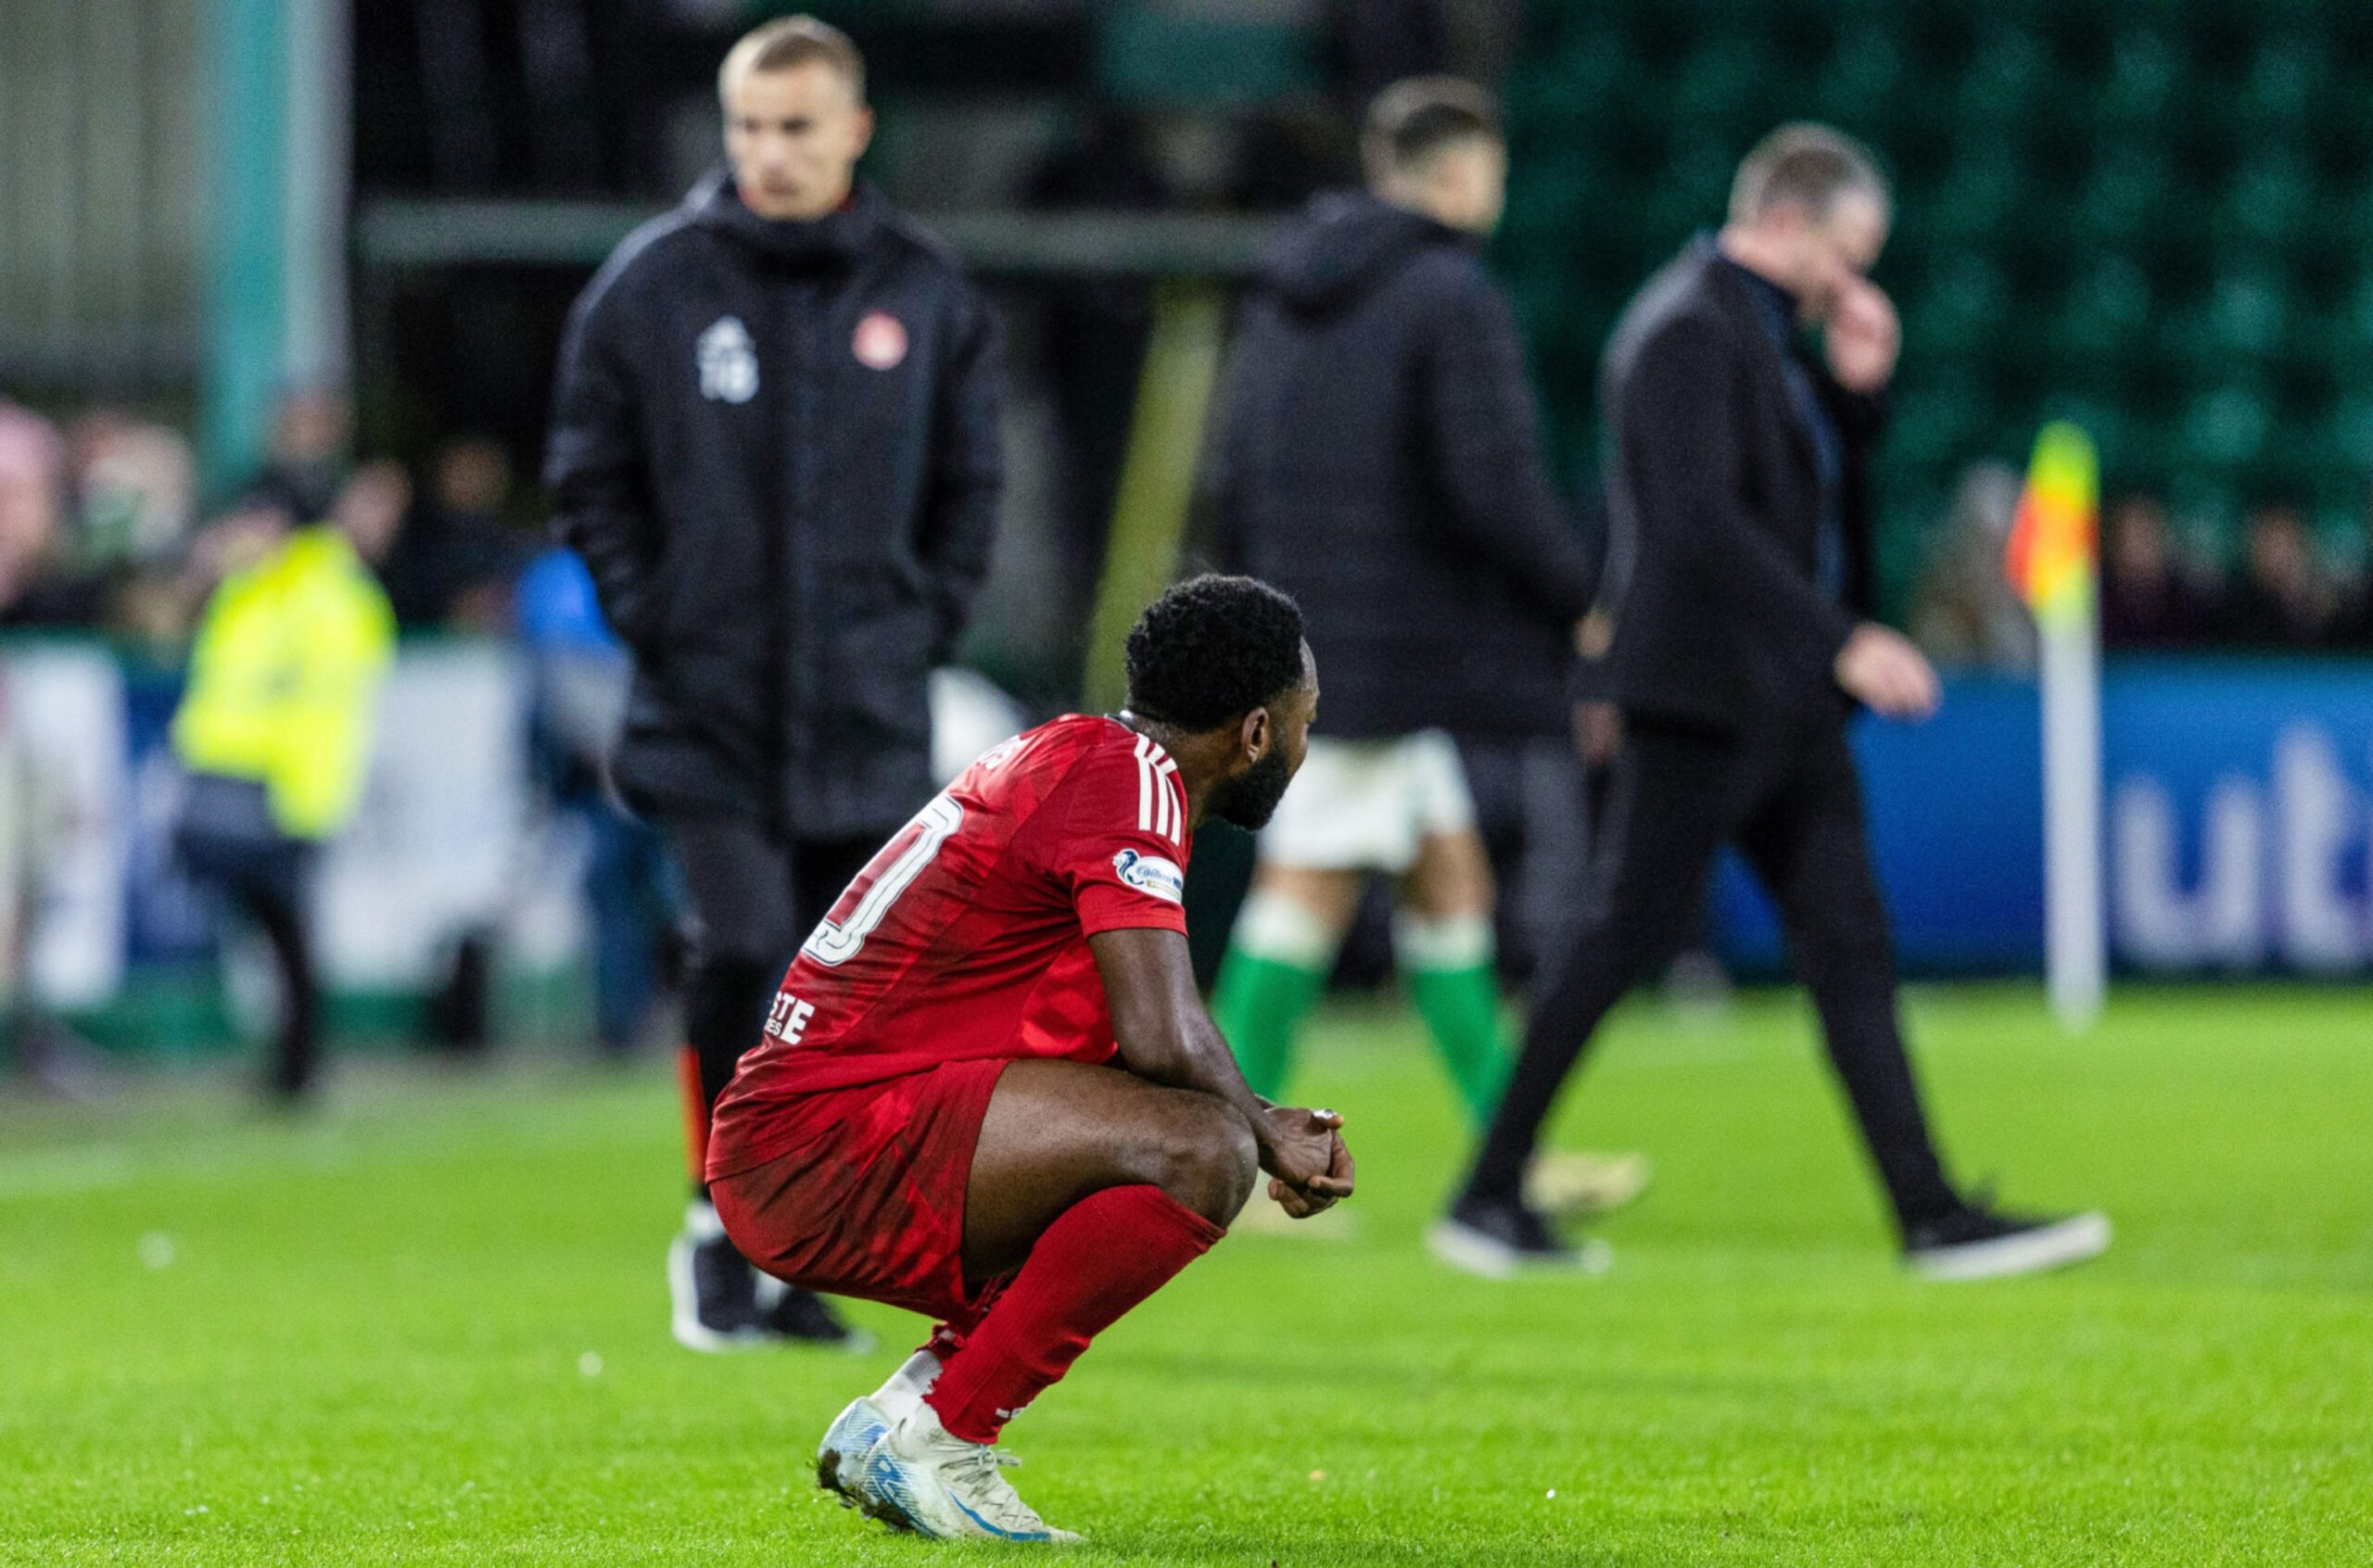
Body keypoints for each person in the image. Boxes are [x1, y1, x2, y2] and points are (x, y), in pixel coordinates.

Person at [1436, 125, 2111, 1282]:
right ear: (1790, 220)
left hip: (1777, 701)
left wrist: (1859, 397)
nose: (1854, 279)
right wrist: (1843, 638)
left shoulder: (1756, 328)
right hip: (1699, 697)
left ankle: (1930, 1213)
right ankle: (1487, 1195)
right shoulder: (1686, 330)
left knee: (1848, 947)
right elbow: (1698, 529)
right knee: (1617, 940)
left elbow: (1801, 502)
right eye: (1848, 253)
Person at [704, 575, 1349, 1543]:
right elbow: (1164, 1034)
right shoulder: (1130, 785)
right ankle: (948, 1435)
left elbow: (1136, 1043)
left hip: (820, 1127)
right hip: (825, 1140)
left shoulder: (1083, 756)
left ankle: (910, 1410)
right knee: (1202, 1151)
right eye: (1304, 724)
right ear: (1255, 734)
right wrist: (1267, 1135)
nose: (1304, 749)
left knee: (1162, 1130)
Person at [545, 14, 1004, 1352]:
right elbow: (588, 473)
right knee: (739, 948)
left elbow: (972, 484)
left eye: (797, 127)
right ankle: (711, 1231)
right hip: (705, 706)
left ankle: (795, 1254)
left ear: (854, 130)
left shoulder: (924, 290)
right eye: (749, 126)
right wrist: (655, 616)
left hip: (866, 708)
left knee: (841, 995)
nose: (770, 151)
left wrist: (921, 624)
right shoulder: (651, 287)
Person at [1207, 78, 1637, 1219]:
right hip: (1396, 657)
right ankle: (1222, 1153)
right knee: (1302, 894)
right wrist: (1574, 598)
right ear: (1460, 172)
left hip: (1310, 641)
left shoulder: (1281, 293)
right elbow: (1491, 484)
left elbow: (1234, 478)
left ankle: (1510, 1151)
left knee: (1449, 882)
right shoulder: (1450, 293)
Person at [170, 465, 401, 1101]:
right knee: (275, 934)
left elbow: (325, 696)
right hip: (235, 780)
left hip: (285, 791)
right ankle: (292, 1062)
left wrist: (302, 789)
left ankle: (299, 1065)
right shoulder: (257, 586)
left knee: (288, 933)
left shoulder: (322, 590)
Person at [2100, 490, 2221, 651]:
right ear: (2115, 542)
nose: (2145, 544)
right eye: (2137, 533)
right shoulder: (2097, 610)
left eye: (2151, 531)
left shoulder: (2194, 608)